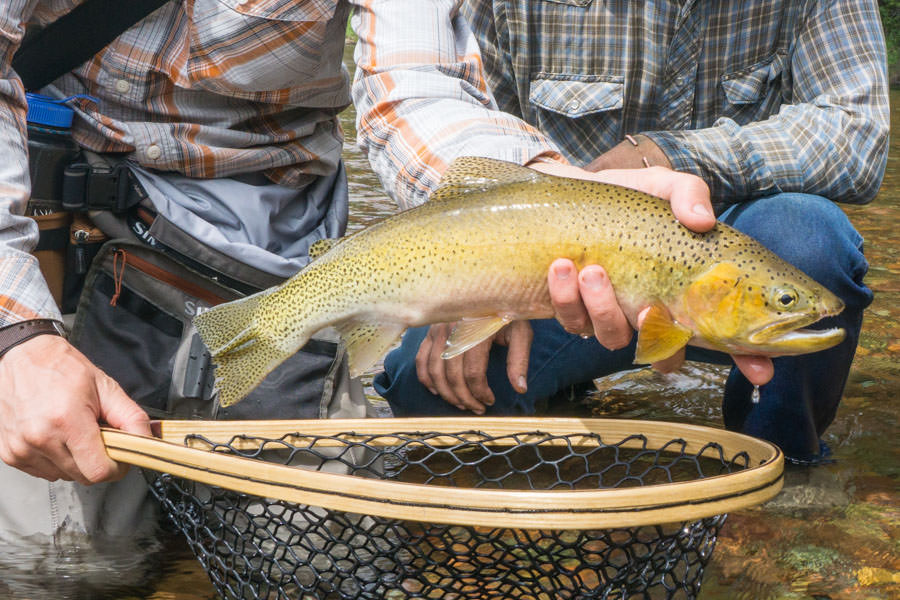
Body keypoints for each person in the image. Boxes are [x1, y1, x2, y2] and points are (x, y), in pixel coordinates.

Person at [0, 0, 717, 590]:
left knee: (320, 571)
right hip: (46, 246)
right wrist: (16, 331)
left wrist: (555, 202)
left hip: (277, 254)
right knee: (56, 571)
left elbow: (414, 89)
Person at [363, 0, 888, 465]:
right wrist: (481, 283)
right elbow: (439, 103)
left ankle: (778, 474)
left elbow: (855, 132)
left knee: (811, 241)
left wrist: (668, 155)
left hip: (728, 256)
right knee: (430, 386)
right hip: (541, 249)